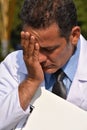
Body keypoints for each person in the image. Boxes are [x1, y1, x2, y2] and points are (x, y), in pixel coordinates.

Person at [0, 0, 87, 129]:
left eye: (49, 50)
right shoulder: (13, 64)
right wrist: (31, 81)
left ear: (74, 36)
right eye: (31, 47)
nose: (39, 58)